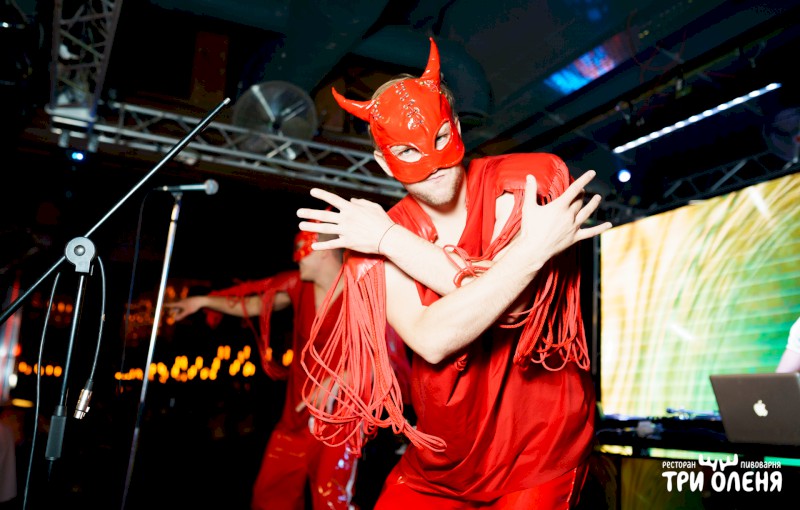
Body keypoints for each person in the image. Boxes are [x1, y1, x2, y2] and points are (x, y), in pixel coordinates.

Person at [294, 37, 612, 509]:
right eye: (407, 151)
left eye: (442, 138)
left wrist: (388, 240)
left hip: (539, 448)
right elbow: (432, 337)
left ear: (457, 127)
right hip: (444, 456)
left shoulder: (521, 183)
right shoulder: (371, 242)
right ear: (383, 162)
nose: (433, 163)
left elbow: (517, 309)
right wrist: (530, 253)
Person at [165, 230, 411, 510]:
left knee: (330, 500)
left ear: (323, 252)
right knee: (268, 497)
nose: (297, 259)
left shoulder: (365, 291)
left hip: (340, 422)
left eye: (301, 251)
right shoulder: (298, 286)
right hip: (295, 418)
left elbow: (385, 362)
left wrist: (341, 379)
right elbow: (256, 304)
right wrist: (202, 301)